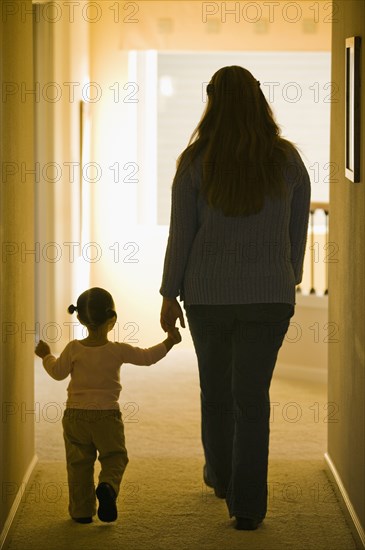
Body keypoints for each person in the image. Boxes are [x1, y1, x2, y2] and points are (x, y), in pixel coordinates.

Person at [159, 65, 310, 530]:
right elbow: (296, 234)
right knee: (253, 398)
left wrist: (169, 295)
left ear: (212, 102)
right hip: (268, 297)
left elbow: (180, 236)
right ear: (259, 100)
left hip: (207, 297)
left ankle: (222, 476)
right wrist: (287, 280)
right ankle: (247, 506)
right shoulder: (287, 161)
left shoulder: (195, 161)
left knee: (217, 393)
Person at [35, 287, 181, 524]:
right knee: (114, 457)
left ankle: (82, 512)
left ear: (80, 318)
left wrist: (46, 356)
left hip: (75, 417)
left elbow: (57, 373)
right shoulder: (117, 350)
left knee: (78, 464)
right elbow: (147, 357)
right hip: (107, 417)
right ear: (112, 319)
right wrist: (169, 342)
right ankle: (108, 487)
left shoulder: (73, 348)